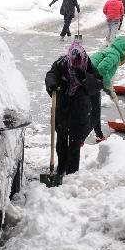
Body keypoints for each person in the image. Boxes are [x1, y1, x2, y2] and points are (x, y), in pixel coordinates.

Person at [45, 41, 102, 176]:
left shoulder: (88, 66)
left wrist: (84, 78)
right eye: (74, 61)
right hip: (62, 110)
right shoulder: (61, 64)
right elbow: (51, 74)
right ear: (70, 58)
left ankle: (72, 173)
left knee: (75, 145)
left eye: (78, 61)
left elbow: (98, 85)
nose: (76, 64)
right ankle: (60, 168)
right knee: (61, 142)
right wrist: (51, 84)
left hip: (80, 111)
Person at [90, 36, 125, 141]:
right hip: (90, 82)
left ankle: (99, 135)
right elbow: (102, 69)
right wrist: (109, 87)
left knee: (95, 110)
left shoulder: (110, 51)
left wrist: (110, 91)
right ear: (122, 49)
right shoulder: (115, 55)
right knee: (94, 112)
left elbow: (102, 74)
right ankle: (79, 140)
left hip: (90, 80)